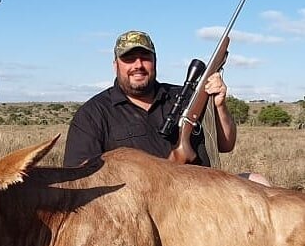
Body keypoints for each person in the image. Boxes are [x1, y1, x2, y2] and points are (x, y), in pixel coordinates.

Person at [63, 30, 271, 186]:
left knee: (258, 182)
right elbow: (78, 181)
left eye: (145, 57)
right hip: (139, 208)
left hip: (204, 191)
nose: (138, 65)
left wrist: (219, 104)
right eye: (128, 59)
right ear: (115, 65)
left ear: (155, 61)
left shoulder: (184, 96)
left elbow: (225, 145)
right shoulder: (92, 114)